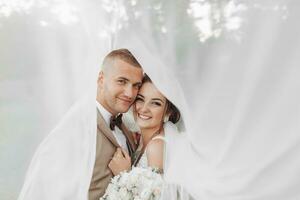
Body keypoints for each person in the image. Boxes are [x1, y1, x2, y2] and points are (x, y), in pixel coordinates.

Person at [18, 49, 143, 200]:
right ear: (101, 79)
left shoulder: (126, 125)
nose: (130, 93)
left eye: (136, 85)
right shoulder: (74, 129)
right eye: (122, 81)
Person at [109, 74, 180, 175]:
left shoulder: (156, 147)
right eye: (140, 99)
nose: (144, 109)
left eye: (155, 103)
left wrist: (123, 174)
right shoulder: (142, 137)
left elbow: (156, 191)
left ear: (168, 111)